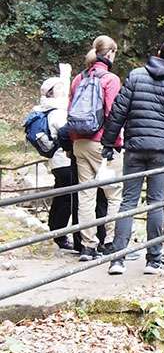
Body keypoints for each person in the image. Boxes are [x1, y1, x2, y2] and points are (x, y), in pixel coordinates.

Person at [102, 39, 164, 276]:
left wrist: (108, 142)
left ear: (157, 53)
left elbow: (118, 111)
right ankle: (153, 261)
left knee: (128, 202)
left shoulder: (136, 76)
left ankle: (117, 259)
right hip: (163, 153)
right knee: (156, 204)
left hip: (134, 149)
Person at [68, 36, 123, 262]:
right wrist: (116, 144)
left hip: (80, 142)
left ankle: (88, 247)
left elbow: (69, 111)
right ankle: (110, 243)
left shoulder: (78, 78)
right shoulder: (110, 79)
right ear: (109, 54)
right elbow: (113, 114)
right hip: (101, 143)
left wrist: (74, 140)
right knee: (114, 194)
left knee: (86, 196)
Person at [29, 68, 73, 251]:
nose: (64, 92)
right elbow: (66, 132)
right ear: (52, 92)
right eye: (60, 89)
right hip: (64, 158)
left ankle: (54, 230)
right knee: (67, 198)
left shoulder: (46, 109)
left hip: (56, 160)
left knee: (61, 194)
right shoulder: (57, 112)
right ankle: (60, 234)